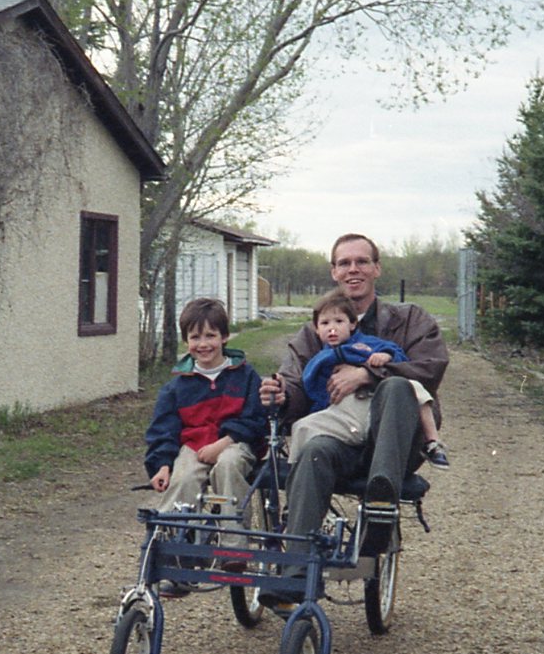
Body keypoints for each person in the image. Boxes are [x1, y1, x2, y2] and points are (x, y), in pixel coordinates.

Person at [257, 233, 449, 609]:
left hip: (394, 443)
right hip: (342, 438)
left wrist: (367, 374)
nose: (353, 269)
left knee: (395, 387)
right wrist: (282, 395)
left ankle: (381, 503)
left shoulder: (410, 320)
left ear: (377, 268)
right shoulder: (314, 331)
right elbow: (296, 383)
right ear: (333, 272)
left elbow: (430, 367)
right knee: (313, 450)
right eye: (344, 263)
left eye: (362, 261)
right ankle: (294, 578)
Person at [144, 296, 265, 596]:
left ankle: (233, 548)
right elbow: (164, 430)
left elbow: (254, 418)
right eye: (195, 337)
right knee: (182, 478)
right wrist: (161, 464)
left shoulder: (245, 376)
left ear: (224, 336)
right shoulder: (177, 385)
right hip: (194, 445)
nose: (203, 344)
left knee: (228, 465)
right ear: (186, 341)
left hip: (235, 442)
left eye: (210, 335)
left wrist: (224, 442)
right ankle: (179, 557)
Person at [291, 290, 448, 469]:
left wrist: (385, 358)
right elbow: (310, 386)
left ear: (352, 324)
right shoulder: (320, 360)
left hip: (378, 403)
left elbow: (397, 353)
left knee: (412, 386)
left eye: (339, 321)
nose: (332, 328)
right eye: (325, 323)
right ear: (317, 329)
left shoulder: (365, 344)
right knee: (302, 427)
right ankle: (297, 469)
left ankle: (433, 442)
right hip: (345, 409)